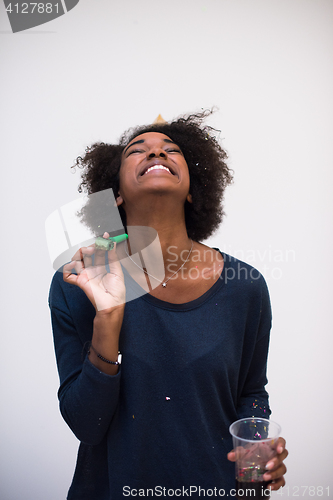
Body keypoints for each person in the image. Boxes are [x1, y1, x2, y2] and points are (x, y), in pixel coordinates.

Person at [49, 111, 288, 499]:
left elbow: (251, 395)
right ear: (117, 195)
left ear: (193, 189)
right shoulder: (78, 283)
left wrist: (259, 451)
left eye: (171, 149)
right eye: (137, 150)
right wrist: (108, 315)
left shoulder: (245, 287)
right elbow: (86, 425)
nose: (155, 151)